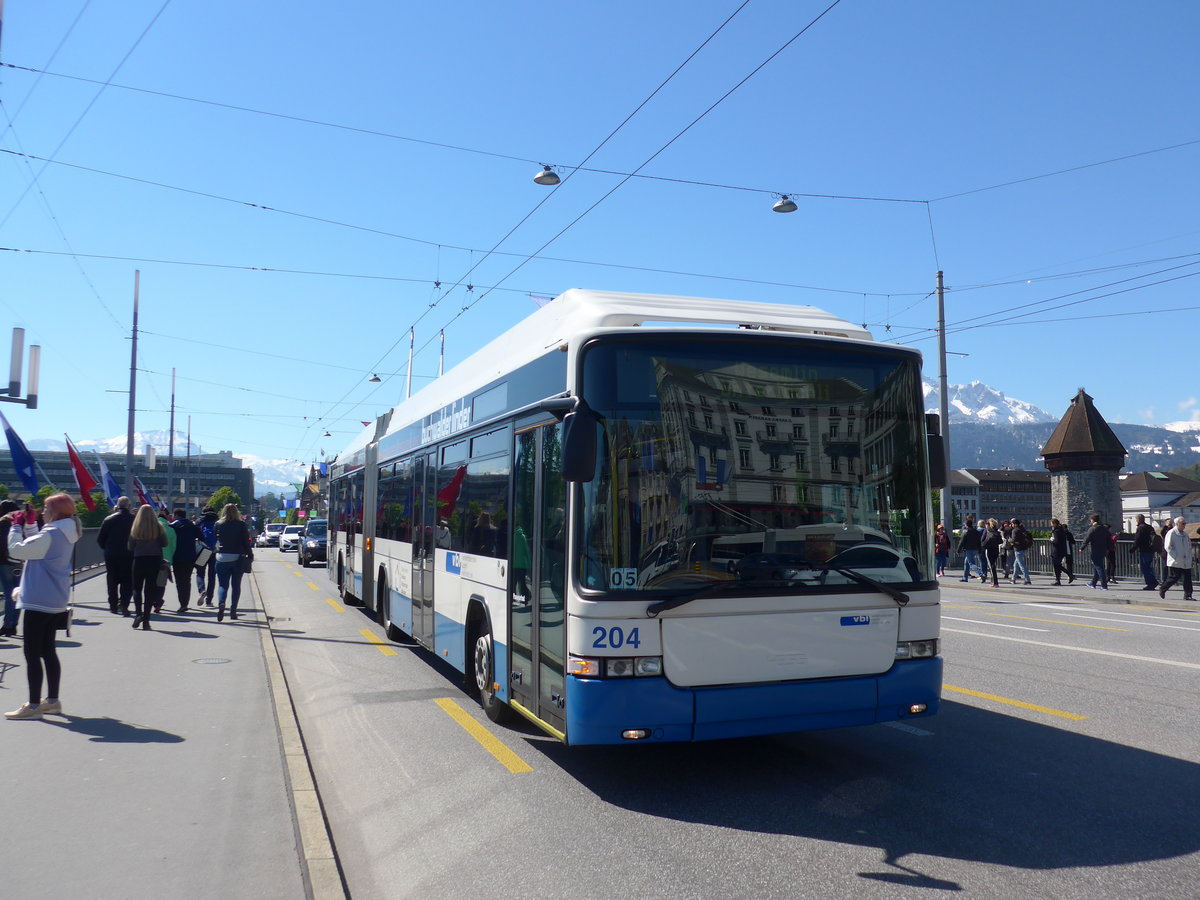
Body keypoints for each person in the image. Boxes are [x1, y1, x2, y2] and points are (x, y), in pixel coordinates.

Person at [4, 493, 81, 720]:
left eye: (46, 509)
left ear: (55, 512)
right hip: (54, 597)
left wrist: (16, 527)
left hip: (38, 599)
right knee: (48, 651)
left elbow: (17, 550)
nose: (43, 513)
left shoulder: (52, 532)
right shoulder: (68, 531)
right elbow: (37, 545)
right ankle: (53, 701)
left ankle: (34, 705)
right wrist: (29, 524)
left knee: (31, 653)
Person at [128, 504, 167, 630]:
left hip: (139, 559)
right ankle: (146, 620)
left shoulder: (136, 527)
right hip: (154, 560)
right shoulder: (158, 527)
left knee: (136, 589)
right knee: (149, 590)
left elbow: (130, 546)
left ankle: (138, 614)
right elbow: (164, 543)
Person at [214, 504, 253, 622]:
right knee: (236, 586)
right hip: (237, 557)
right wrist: (250, 554)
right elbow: (246, 541)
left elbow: (215, 539)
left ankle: (221, 603)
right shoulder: (241, 525)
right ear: (237, 512)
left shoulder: (218, 524)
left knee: (222, 585)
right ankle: (233, 611)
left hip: (221, 557)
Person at [97, 496, 135, 614]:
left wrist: (107, 548)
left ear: (117, 506)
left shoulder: (108, 519)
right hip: (129, 553)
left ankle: (113, 605)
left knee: (112, 579)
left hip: (111, 553)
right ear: (129, 506)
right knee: (127, 580)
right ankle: (124, 604)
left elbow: (100, 539)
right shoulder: (134, 519)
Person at [169, 509, 200, 612]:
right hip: (190, 556)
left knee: (179, 581)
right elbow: (202, 537)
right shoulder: (192, 525)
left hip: (177, 556)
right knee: (187, 580)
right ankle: (185, 603)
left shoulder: (172, 526)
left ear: (176, 515)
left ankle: (182, 603)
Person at [1158, 517, 1195, 601]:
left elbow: (1188, 546)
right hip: (1176, 560)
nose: (1184, 525)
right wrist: (1175, 556)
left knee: (1188, 578)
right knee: (1174, 577)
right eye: (1183, 524)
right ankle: (1163, 588)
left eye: (1185, 523)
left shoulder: (1185, 534)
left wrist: (1189, 555)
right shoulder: (1171, 533)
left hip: (1186, 560)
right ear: (1177, 524)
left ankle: (1188, 595)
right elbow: (1168, 546)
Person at [0, 500, 20, 637]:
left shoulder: (3, 523)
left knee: (8, 594)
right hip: (19, 562)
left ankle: (7, 625)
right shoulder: (20, 522)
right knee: (17, 595)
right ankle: (13, 625)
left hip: (5, 562)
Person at [194, 507, 219, 605]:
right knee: (212, 576)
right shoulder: (218, 521)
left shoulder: (199, 521)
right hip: (214, 551)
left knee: (200, 573)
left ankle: (202, 590)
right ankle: (209, 600)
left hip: (203, 550)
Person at [155, 509, 176, 613]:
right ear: (167, 518)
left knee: (151, 581)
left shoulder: (152, 527)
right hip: (166, 559)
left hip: (152, 558)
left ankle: (153, 600)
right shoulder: (171, 529)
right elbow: (173, 546)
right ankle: (158, 603)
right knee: (161, 582)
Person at [1081, 514, 1111, 590]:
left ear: (1093, 520)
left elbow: (1087, 539)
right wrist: (1109, 548)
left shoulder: (1092, 529)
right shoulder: (1104, 529)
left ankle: (1104, 585)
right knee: (1097, 566)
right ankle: (1093, 583)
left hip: (1095, 550)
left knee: (1099, 567)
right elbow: (1109, 539)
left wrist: (1082, 548)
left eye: (1091, 520)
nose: (1090, 521)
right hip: (1103, 550)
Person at [1131, 514, 1159, 590]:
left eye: (1136, 519)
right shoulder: (1150, 527)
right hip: (1151, 549)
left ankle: (1151, 583)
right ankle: (1153, 581)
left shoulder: (1140, 528)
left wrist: (1133, 549)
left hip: (1144, 550)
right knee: (1148, 567)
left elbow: (1138, 539)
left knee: (1145, 568)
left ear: (1139, 520)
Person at [956, 515, 984, 582]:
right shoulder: (976, 531)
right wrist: (979, 550)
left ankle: (981, 574)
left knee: (971, 563)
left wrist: (958, 550)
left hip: (969, 549)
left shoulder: (965, 532)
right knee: (966, 562)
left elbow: (961, 542)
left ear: (966, 525)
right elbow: (979, 541)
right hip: (976, 549)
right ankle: (965, 578)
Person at [1049, 518, 1075, 585]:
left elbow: (1056, 542)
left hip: (1057, 551)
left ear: (1054, 523)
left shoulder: (1056, 531)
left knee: (1057, 565)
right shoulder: (1061, 530)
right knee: (1058, 565)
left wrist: (1051, 540)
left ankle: (1068, 575)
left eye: (1051, 523)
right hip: (1062, 551)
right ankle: (1058, 580)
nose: (1051, 524)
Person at [980, 518, 1002, 587]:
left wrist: (983, 546)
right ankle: (994, 581)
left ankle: (995, 582)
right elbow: (1000, 541)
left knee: (991, 566)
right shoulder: (996, 531)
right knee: (993, 565)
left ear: (988, 524)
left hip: (989, 550)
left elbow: (982, 540)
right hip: (996, 549)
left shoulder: (987, 531)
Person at [1010, 518, 1032, 585]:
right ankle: (1013, 579)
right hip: (1024, 548)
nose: (1012, 525)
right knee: (1015, 565)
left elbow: (1013, 540)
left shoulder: (1015, 530)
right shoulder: (1022, 529)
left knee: (1022, 565)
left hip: (1018, 549)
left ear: (1015, 524)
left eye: (1012, 524)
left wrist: (1009, 540)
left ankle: (1027, 580)